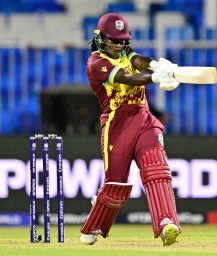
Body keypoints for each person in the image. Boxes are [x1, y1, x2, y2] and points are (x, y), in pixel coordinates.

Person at [79, 12, 181, 246]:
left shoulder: (127, 53)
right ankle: (93, 225)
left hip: (144, 119)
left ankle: (167, 224)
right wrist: (155, 78)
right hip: (117, 124)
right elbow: (127, 78)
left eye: (122, 40)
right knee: (116, 187)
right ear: (100, 38)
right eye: (113, 40)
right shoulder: (96, 63)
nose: (118, 45)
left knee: (157, 170)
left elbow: (137, 61)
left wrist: (156, 65)